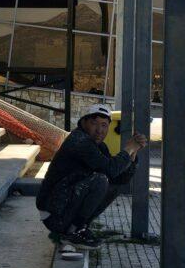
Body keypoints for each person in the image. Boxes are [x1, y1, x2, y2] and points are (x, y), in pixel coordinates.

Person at [37, 104, 147, 249]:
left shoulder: (99, 146)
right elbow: (110, 169)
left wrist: (132, 155)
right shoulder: (79, 141)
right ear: (84, 122)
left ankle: (80, 227)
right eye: (94, 123)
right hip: (53, 214)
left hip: (62, 207)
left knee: (113, 186)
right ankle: (73, 231)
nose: (99, 130)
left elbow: (120, 178)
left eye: (104, 125)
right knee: (100, 180)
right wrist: (128, 149)